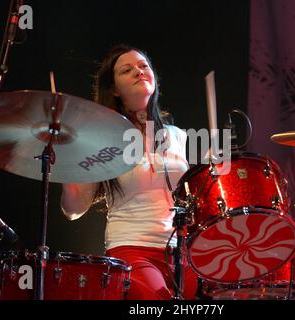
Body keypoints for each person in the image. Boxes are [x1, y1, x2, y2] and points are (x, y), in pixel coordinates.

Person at [60, 44, 198, 300]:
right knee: (155, 298)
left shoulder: (177, 136)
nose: (139, 71)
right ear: (114, 89)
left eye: (143, 66)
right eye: (127, 70)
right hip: (131, 247)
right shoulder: (103, 139)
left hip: (179, 251)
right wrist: (68, 167)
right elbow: (74, 209)